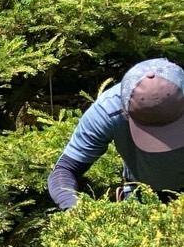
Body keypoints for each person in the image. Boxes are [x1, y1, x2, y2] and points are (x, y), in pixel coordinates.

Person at [50, 58, 184, 209]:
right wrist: (77, 211)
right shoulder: (108, 111)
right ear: (125, 111)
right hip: (142, 196)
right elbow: (65, 170)